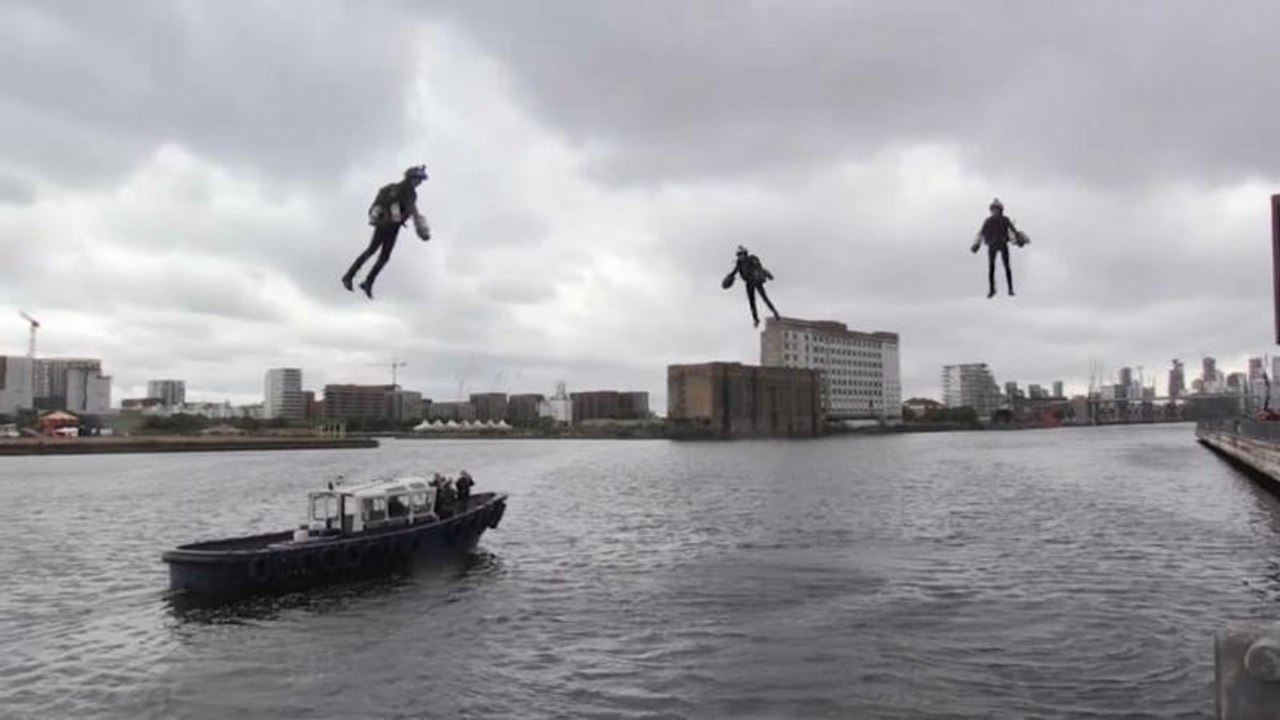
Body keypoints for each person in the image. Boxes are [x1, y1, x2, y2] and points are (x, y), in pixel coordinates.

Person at [341, 164, 431, 299]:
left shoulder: (411, 194)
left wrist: (421, 227)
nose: (419, 183)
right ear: (411, 178)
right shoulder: (397, 188)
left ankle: (368, 282)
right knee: (371, 251)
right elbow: (393, 203)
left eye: (420, 180)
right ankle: (349, 276)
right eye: (418, 179)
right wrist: (396, 217)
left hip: (394, 227)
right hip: (385, 224)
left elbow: (413, 210)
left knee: (384, 257)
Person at [970, 198, 1025, 298]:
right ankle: (992, 289)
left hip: (1003, 243)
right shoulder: (988, 221)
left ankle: (1010, 289)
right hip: (992, 245)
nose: (994, 211)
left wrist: (1018, 240)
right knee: (991, 268)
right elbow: (981, 233)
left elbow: (1014, 231)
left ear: (1000, 210)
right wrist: (976, 244)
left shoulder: (1005, 220)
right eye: (992, 209)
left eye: (996, 209)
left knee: (1007, 267)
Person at [721, 245, 781, 328]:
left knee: (765, 298)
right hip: (749, 283)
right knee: (752, 302)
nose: (740, 256)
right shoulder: (739, 263)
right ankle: (756, 319)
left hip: (756, 280)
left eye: (741, 254)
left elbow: (759, 267)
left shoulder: (752, 259)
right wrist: (729, 277)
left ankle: (775, 312)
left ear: (745, 254)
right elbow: (734, 272)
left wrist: (766, 274)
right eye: (738, 255)